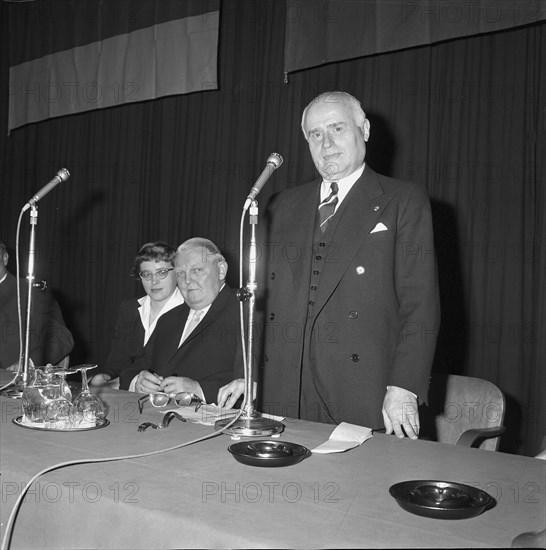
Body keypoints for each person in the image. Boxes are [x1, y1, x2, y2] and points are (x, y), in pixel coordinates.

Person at [221, 91, 440, 438]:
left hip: (362, 394)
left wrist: (403, 388)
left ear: (364, 130)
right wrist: (244, 372)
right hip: (282, 392)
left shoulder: (402, 201)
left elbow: (420, 305)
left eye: (337, 129)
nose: (327, 144)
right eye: (315, 134)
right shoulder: (281, 205)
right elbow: (257, 301)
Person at [119, 238, 243, 404]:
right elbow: (132, 370)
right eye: (180, 273)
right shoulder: (168, 319)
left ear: (221, 270)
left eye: (197, 270)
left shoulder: (244, 311)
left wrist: (199, 390)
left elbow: (257, 384)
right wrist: (138, 381)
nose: (188, 280)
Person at [90, 242, 184, 388]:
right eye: (147, 274)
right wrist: (107, 376)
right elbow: (117, 362)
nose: (154, 281)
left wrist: (122, 382)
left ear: (177, 273)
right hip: (128, 389)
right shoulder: (129, 308)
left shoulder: (189, 311)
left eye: (162, 272)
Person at [0, 240, 74, 370]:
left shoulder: (30, 290)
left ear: (5, 258)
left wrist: (29, 363)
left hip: (15, 384)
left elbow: (62, 337)